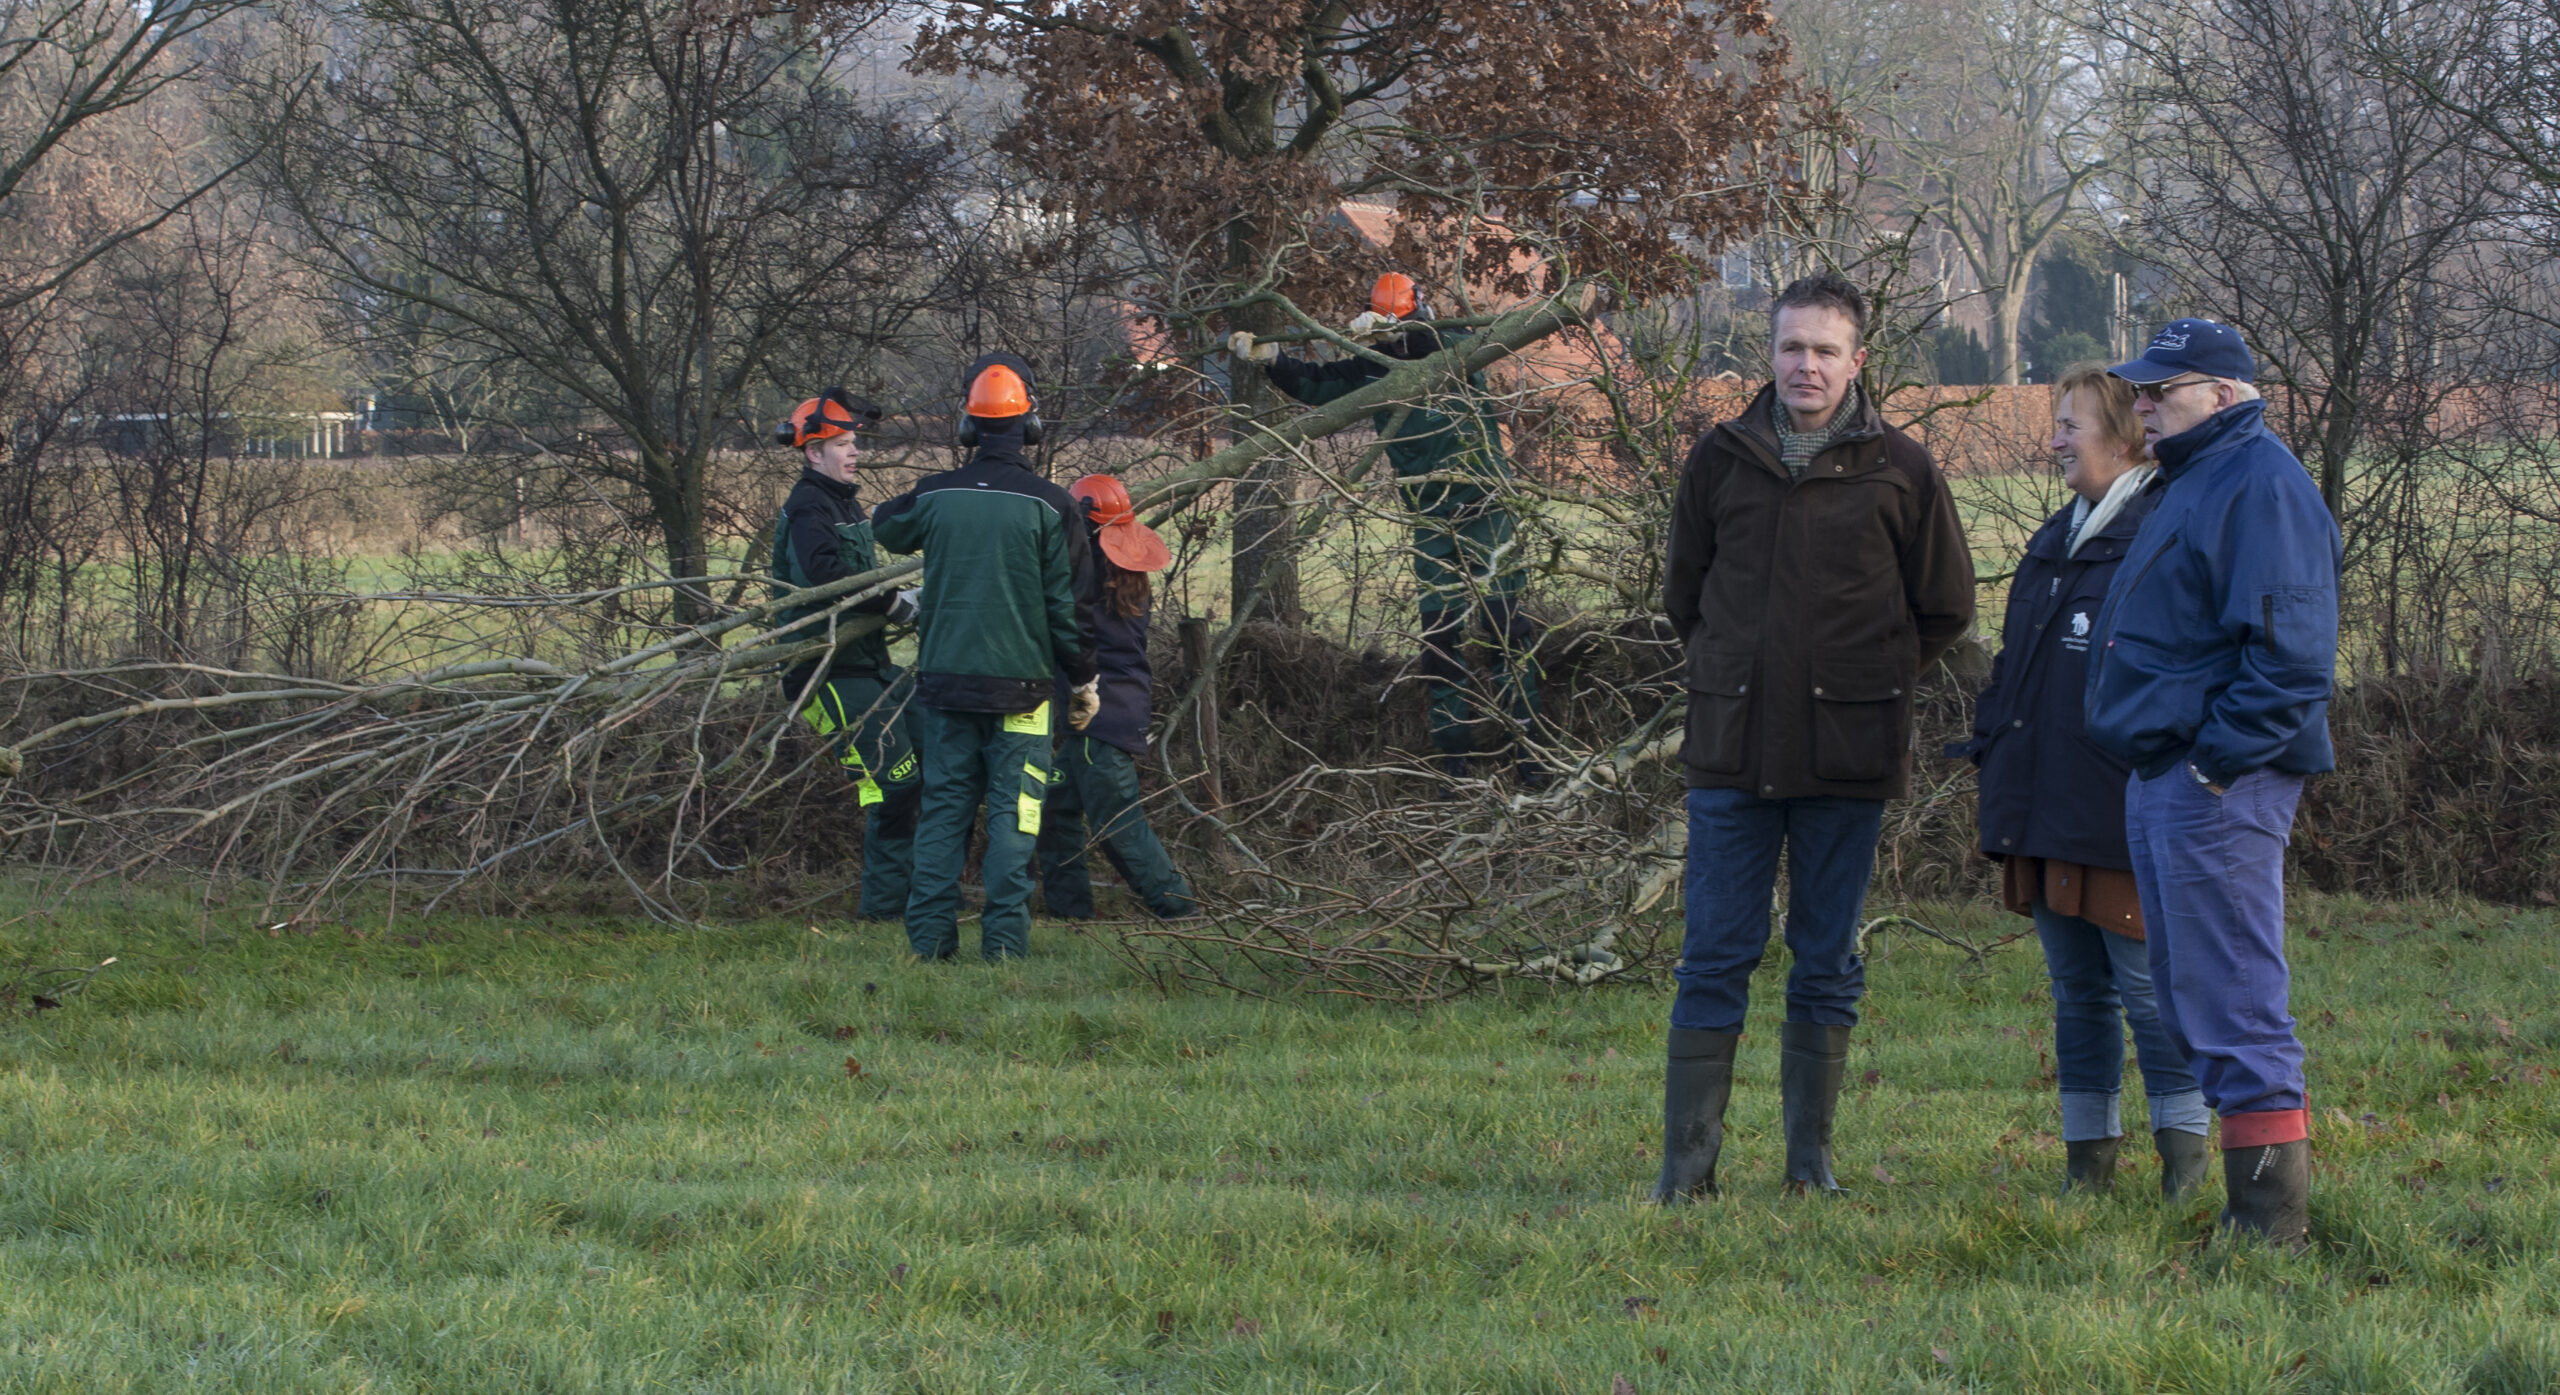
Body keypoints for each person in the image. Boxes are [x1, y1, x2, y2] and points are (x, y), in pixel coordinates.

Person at [1653, 271, 1976, 1201]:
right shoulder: (1719, 459)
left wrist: (1863, 683)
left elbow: (1944, 608)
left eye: (1825, 350)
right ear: (1771, 353)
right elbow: (1688, 595)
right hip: (1731, 748)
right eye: (1792, 347)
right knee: (1714, 951)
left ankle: (1809, 1164)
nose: (1807, 365)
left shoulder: (1904, 471)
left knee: (1826, 958)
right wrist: (1742, 674)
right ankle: (1688, 1169)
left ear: (1858, 361)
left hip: (1848, 757)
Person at [2086, 319, 2340, 1245]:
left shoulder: (2262, 484)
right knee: (2196, 991)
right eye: (2141, 391)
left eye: (2162, 390)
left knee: (2233, 994)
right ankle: (2251, 1212)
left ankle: (2271, 1224)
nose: (2143, 404)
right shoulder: (2200, 479)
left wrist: (2211, 765)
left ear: (2226, 395)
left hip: (2221, 782)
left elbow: (2292, 661)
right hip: (2172, 777)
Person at [1952, 364, 2209, 1198]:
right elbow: (2011, 671)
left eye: (2071, 424)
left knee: (2149, 992)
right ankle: (2086, 1168)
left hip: (2120, 809)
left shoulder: (2161, 533)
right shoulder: (2053, 538)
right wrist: (1993, 743)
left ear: (2126, 437)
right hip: (2044, 805)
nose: (2054, 438)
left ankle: (2185, 1163)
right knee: (2076, 995)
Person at [1232, 273, 1543, 785]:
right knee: (1441, 644)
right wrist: (1271, 361)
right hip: (1431, 522)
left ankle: (1529, 753)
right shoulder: (1371, 369)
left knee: (1508, 636)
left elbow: (1440, 346)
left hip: (1489, 514)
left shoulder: (1456, 349)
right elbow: (1318, 384)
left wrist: (1399, 334)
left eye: (1398, 323)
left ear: (1417, 313)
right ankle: (1454, 761)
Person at [871, 355, 1100, 962]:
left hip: (945, 687)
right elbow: (1072, 607)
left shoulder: (933, 495)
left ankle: (929, 945)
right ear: (1031, 429)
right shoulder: (1052, 506)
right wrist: (1084, 680)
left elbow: (884, 524)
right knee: (1015, 815)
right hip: (1024, 692)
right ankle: (1002, 947)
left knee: (944, 811)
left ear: (969, 430)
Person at [767, 387, 922, 922]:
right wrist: (893, 604)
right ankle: (882, 911)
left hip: (867, 663)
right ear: (813, 452)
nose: (854, 452)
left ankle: (918, 893)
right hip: (824, 672)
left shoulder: (844, 498)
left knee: (934, 750)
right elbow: (825, 577)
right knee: (893, 782)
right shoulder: (809, 504)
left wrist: (906, 596)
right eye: (842, 444)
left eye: (854, 442)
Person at [1036, 473, 1200, 922]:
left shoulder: (1085, 577)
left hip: (1099, 719)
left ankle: (1179, 909)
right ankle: (1069, 913)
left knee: (1118, 823)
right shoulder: (1122, 571)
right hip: (1106, 715)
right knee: (1056, 810)